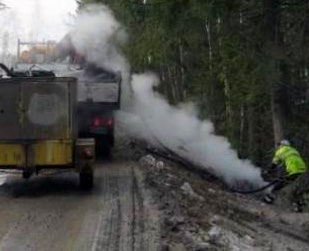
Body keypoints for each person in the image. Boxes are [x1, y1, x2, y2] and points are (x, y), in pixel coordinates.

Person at [263, 139, 307, 211]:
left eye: (279, 145)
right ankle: (299, 206)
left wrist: (268, 171)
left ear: (282, 145)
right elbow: (291, 161)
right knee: (296, 189)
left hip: (294, 171)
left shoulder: (280, 151)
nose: (278, 147)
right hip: (303, 170)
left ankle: (269, 198)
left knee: (279, 185)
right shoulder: (294, 150)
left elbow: (274, 164)